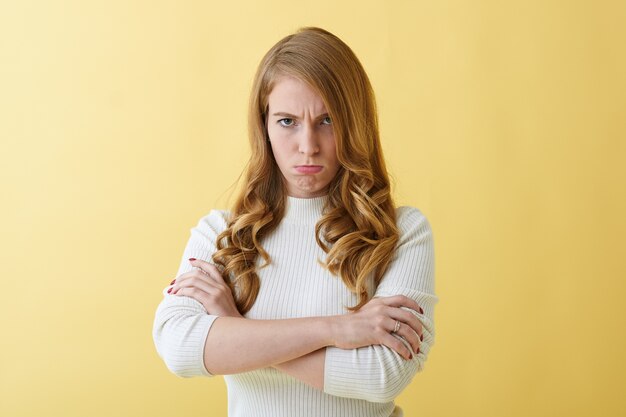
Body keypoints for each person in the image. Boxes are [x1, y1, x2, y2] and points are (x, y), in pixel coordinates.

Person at [152, 26, 437, 417]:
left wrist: (234, 326)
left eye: (327, 121)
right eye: (287, 121)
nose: (308, 145)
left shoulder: (401, 233)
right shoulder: (221, 234)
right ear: (264, 126)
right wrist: (336, 329)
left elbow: (381, 375)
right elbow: (179, 347)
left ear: (355, 124)